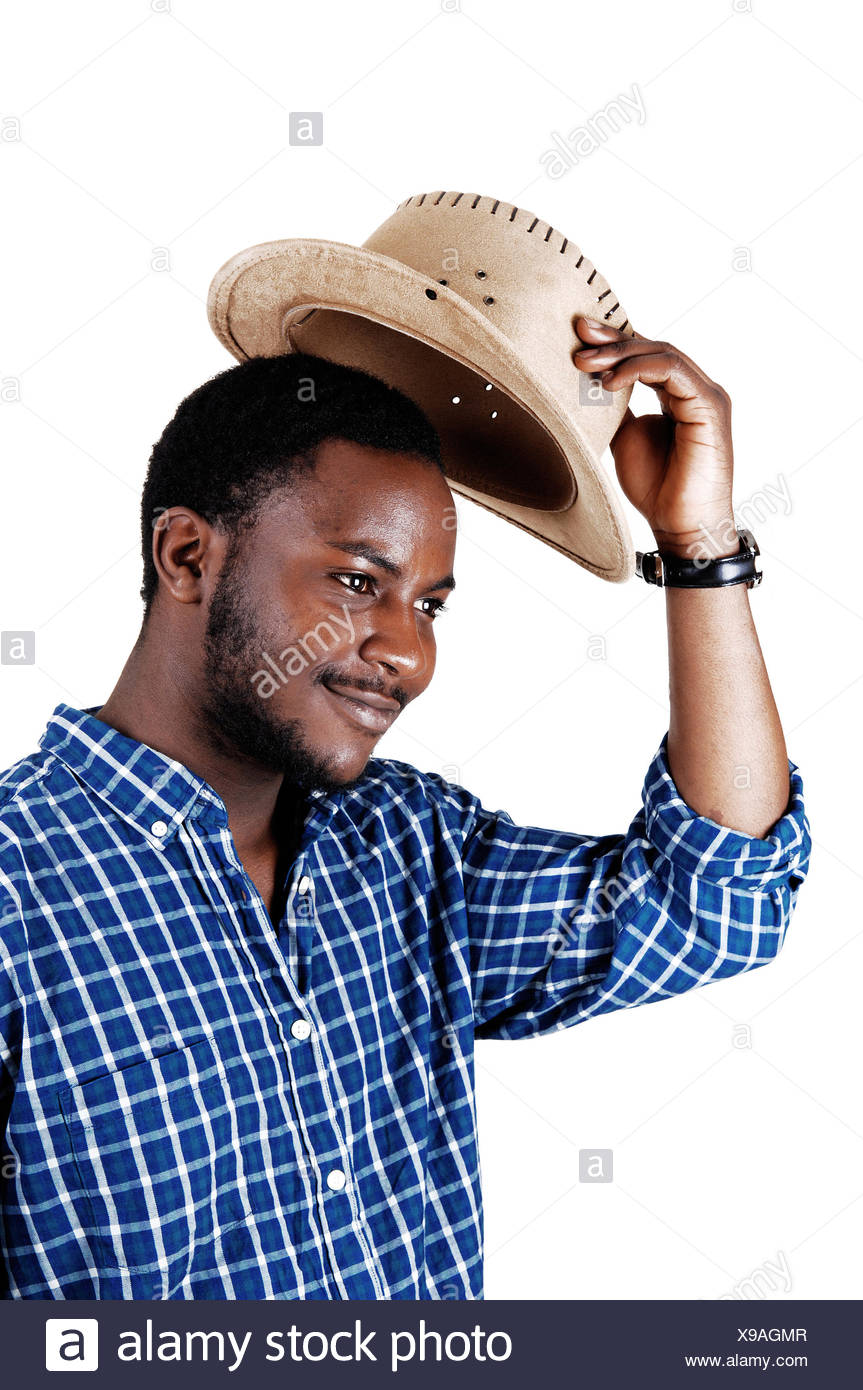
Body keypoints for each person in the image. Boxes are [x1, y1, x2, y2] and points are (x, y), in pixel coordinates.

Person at [0, 320, 811, 1299]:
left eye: (429, 605)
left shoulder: (403, 846)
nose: (408, 654)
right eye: (356, 582)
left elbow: (713, 901)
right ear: (185, 556)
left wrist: (696, 546)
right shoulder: (18, 899)